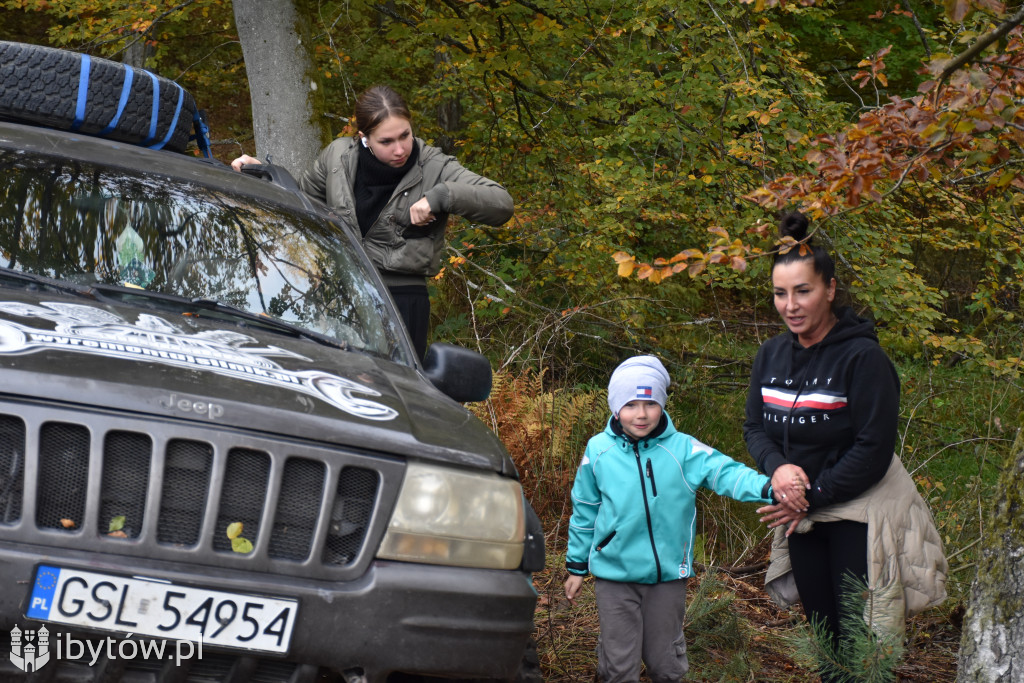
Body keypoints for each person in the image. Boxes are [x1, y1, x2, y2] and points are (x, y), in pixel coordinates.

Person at [746, 211, 946, 682]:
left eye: (803, 291)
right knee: (825, 637)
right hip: (804, 513)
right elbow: (755, 426)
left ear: (830, 289)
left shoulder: (863, 358)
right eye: (780, 293)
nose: (790, 305)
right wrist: (777, 471)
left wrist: (807, 497)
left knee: (862, 640)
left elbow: (873, 449)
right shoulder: (771, 355)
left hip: (859, 510)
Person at [231, 85, 513, 360]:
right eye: (387, 142)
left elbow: (501, 203)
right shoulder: (338, 157)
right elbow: (297, 201)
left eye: (405, 135)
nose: (401, 149)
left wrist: (442, 195)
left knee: (391, 397)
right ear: (364, 137)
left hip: (400, 303)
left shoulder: (435, 166)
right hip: (336, 292)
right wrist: (263, 173)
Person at [564, 355, 774, 683]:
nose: (642, 414)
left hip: (667, 579)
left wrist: (770, 488)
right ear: (616, 407)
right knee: (619, 667)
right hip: (614, 577)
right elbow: (585, 510)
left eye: (650, 403)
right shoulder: (599, 451)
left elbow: (726, 472)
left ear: (662, 404)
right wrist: (576, 567)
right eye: (631, 404)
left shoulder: (683, 450)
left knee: (666, 665)